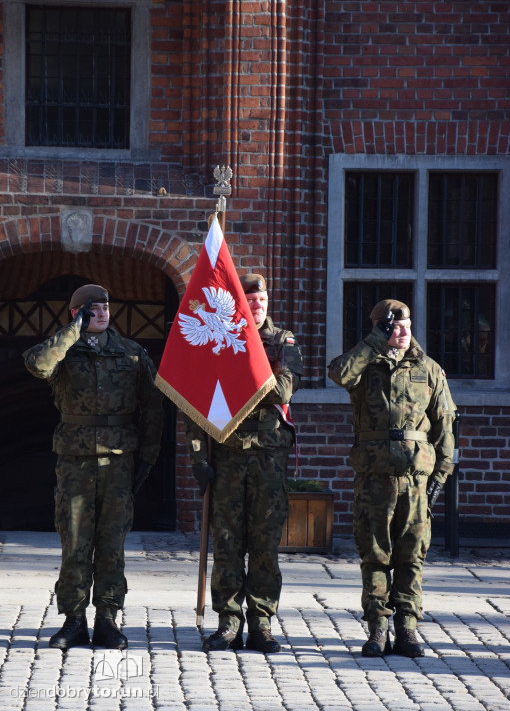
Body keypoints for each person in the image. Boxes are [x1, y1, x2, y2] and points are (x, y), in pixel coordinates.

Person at [24, 283, 163, 651]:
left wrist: (148, 457)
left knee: (112, 543)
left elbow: (152, 408)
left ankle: (107, 618)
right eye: (92, 309)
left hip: (119, 462)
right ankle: (73, 620)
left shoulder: (132, 354)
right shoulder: (64, 352)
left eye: (104, 307)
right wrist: (73, 331)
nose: (102, 313)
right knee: (75, 542)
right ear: (77, 313)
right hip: (75, 463)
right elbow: (38, 364)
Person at [328, 299, 456, 659]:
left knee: (411, 555)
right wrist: (372, 343)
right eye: (393, 326)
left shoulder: (428, 369)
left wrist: (440, 477)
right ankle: (378, 628)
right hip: (374, 479)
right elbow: (337, 373)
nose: (402, 331)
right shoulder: (364, 366)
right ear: (378, 328)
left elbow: (445, 426)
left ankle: (408, 629)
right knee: (375, 554)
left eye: (406, 324)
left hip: (416, 479)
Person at [185, 273, 303, 654]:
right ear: (238, 303)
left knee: (265, 545)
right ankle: (229, 621)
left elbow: (284, 389)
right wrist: (199, 458)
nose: (257, 305)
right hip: (229, 453)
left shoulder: (283, 341)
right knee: (228, 543)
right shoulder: (219, 340)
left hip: (269, 456)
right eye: (250, 299)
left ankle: (262, 623)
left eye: (262, 299)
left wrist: (242, 369)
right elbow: (197, 401)